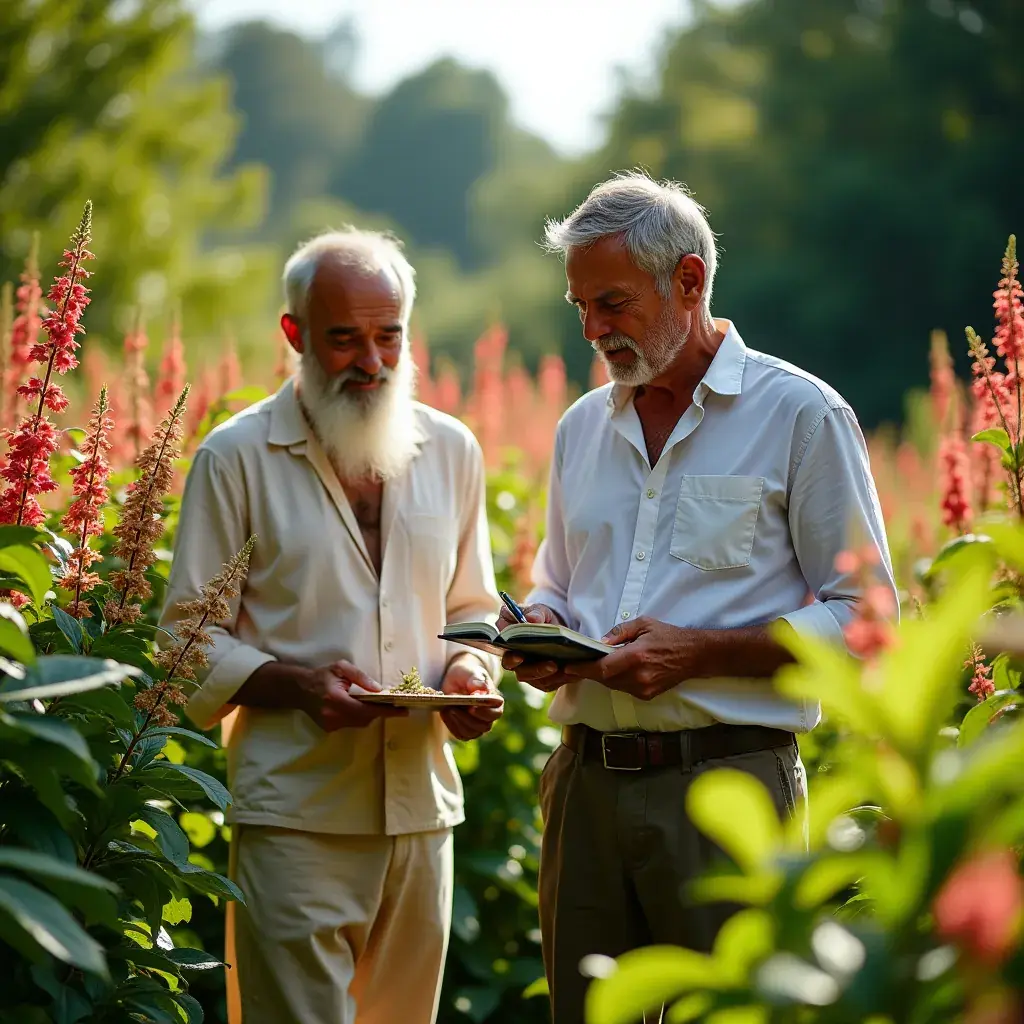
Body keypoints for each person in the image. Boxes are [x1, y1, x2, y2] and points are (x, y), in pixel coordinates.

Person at [498, 171, 897, 1022]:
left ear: (688, 280)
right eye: (580, 309)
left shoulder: (802, 415)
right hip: (584, 790)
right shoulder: (581, 429)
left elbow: (866, 619)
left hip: (730, 787)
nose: (593, 330)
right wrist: (541, 626)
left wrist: (700, 653)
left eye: (611, 304)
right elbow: (559, 585)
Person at [160, 227, 504, 1024]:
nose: (373, 362)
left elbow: (472, 611)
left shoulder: (452, 450)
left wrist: (467, 676)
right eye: (345, 339)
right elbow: (184, 641)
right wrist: (298, 685)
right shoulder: (234, 457)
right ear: (295, 334)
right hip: (293, 815)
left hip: (423, 814)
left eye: (389, 338)